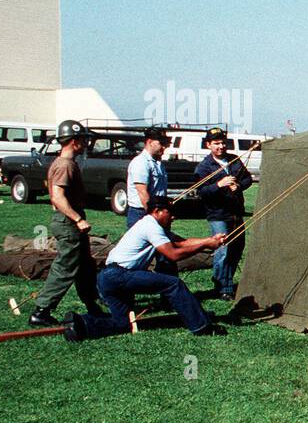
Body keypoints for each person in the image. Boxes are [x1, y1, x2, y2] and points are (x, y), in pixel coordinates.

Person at [65, 196, 227, 341]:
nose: (173, 216)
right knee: (173, 284)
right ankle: (202, 327)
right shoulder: (151, 227)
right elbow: (173, 255)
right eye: (170, 212)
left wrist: (210, 241)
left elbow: (182, 242)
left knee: (123, 324)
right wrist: (207, 244)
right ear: (157, 211)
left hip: (107, 278)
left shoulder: (152, 225)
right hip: (119, 275)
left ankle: (81, 324)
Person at [29, 121, 106, 327]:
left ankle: (93, 305)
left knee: (85, 267)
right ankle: (41, 311)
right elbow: (58, 197)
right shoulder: (64, 165)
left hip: (68, 220)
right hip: (68, 222)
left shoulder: (64, 163)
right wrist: (78, 219)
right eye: (83, 139)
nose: (86, 143)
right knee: (66, 267)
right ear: (74, 141)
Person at [194, 127, 255, 299]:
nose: (221, 146)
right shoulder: (204, 167)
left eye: (223, 143)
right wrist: (219, 185)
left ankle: (226, 282)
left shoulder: (234, 160)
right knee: (223, 249)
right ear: (208, 145)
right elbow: (202, 192)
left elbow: (248, 178)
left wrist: (239, 186)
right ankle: (222, 287)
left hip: (236, 212)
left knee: (237, 248)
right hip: (218, 214)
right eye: (216, 143)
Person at [126, 127, 169, 227]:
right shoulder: (141, 162)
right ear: (150, 142)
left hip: (157, 211)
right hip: (142, 213)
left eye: (165, 144)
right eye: (161, 144)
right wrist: (153, 216)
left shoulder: (158, 163)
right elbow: (143, 193)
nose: (164, 147)